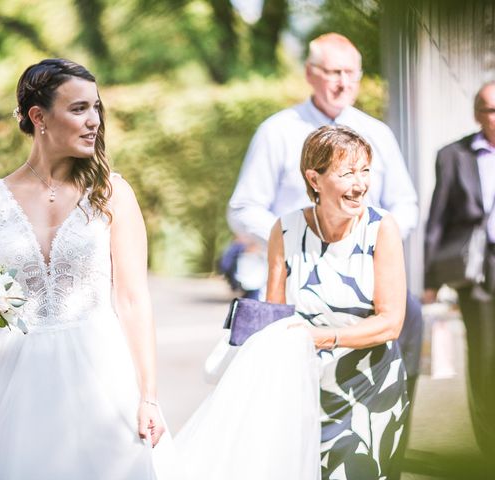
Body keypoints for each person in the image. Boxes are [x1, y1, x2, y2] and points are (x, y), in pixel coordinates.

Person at [0, 58, 165, 479]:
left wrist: (148, 396)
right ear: (38, 117)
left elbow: (133, 300)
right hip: (15, 384)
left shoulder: (111, 193)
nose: (94, 120)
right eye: (79, 109)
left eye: (96, 108)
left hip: (101, 377)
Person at [227, 32, 422, 456]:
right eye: (333, 72)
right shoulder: (276, 131)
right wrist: (303, 239)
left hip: (370, 271)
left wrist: (369, 242)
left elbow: (405, 202)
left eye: (351, 73)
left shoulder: (376, 132)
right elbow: (242, 207)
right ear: (310, 75)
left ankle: (387, 438)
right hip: (296, 272)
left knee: (407, 323)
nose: (342, 82)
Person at [176, 126, 409, 479]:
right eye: (347, 173)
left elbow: (391, 322)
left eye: (365, 171)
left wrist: (320, 337)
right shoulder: (284, 230)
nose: (360, 184)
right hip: (302, 391)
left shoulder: (381, 228)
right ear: (314, 179)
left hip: (368, 388)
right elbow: (275, 317)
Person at [424, 81, 495, 458]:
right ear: (477, 114)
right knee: (484, 361)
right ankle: (488, 451)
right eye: (490, 110)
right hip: (477, 271)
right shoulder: (453, 156)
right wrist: (430, 280)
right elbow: (437, 220)